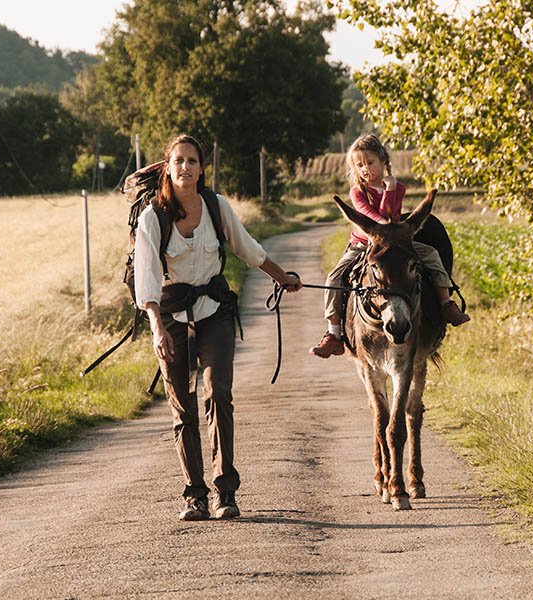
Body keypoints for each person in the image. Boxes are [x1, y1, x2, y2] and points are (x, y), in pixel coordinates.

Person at [135, 134, 301, 521]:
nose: (186, 168)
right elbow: (145, 280)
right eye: (179, 161)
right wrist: (157, 329)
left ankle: (225, 491)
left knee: (219, 393)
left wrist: (282, 276)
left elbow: (247, 248)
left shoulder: (215, 206)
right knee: (182, 407)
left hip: (215, 312)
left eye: (192, 161)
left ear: (201, 167)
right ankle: (195, 495)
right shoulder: (152, 217)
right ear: (168, 166)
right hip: (170, 318)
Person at [310, 133, 469, 359]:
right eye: (359, 165)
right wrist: (387, 218)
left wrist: (391, 190)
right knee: (334, 277)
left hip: (396, 243)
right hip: (364, 244)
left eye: (370, 163)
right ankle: (333, 334)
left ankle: (445, 304)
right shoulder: (357, 192)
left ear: (384, 161)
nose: (365, 169)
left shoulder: (399, 188)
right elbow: (373, 218)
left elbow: (391, 215)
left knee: (431, 255)